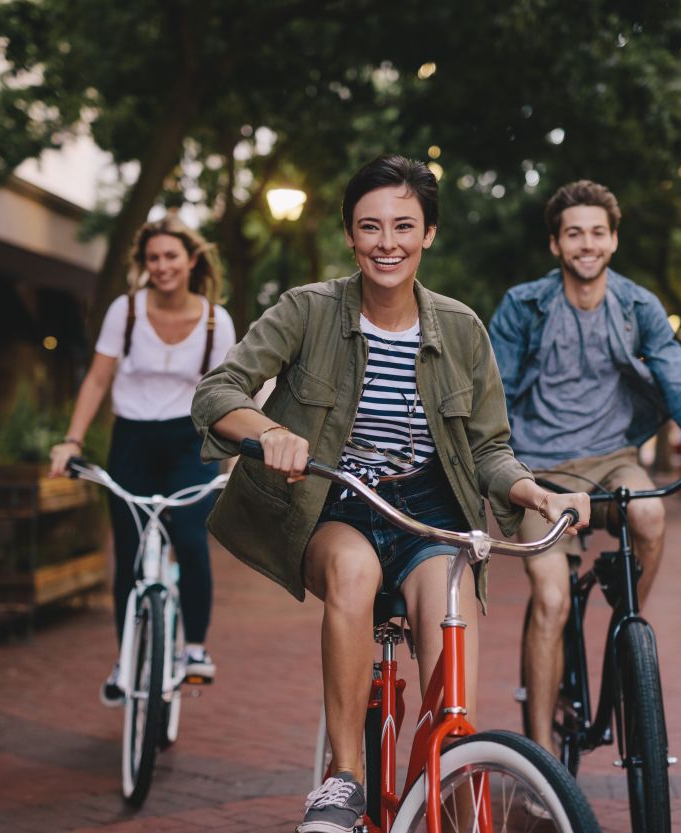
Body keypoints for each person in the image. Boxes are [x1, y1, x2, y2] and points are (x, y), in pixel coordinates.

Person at [191, 156, 590, 833]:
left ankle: (452, 780)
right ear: (350, 234)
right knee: (354, 569)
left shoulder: (461, 328)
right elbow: (216, 393)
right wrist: (269, 431)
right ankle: (343, 778)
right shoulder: (308, 309)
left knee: (446, 643)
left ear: (429, 233)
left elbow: (491, 446)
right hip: (336, 502)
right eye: (370, 226)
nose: (387, 242)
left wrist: (533, 490)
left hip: (430, 511)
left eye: (404, 225)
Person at [488, 179, 681, 759]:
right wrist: (500, 470)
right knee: (553, 601)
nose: (587, 244)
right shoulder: (523, 306)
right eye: (574, 233)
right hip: (540, 470)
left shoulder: (637, 307)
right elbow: (496, 397)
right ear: (556, 245)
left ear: (613, 240)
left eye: (598, 233)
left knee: (653, 515)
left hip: (614, 459)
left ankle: (622, 631)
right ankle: (540, 761)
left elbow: (679, 383)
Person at [49, 214, 236, 702]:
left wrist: (236, 458)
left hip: (190, 440)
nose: (162, 266)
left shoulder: (216, 319)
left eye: (171, 255)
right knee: (129, 555)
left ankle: (194, 647)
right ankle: (126, 657)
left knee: (191, 538)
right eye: (152, 258)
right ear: (144, 264)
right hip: (131, 440)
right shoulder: (125, 311)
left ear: (191, 260)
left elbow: (233, 392)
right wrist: (72, 440)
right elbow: (97, 379)